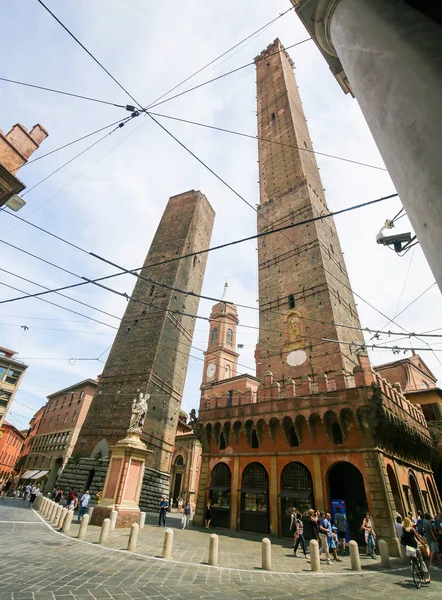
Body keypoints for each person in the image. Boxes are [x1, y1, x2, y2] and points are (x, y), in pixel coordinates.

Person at [400, 516, 430, 584]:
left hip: (408, 547)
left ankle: (414, 571)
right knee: (421, 560)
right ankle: (425, 578)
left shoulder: (403, 529)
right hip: (415, 546)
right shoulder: (412, 529)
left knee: (413, 560)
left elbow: (403, 538)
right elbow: (418, 538)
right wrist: (423, 543)